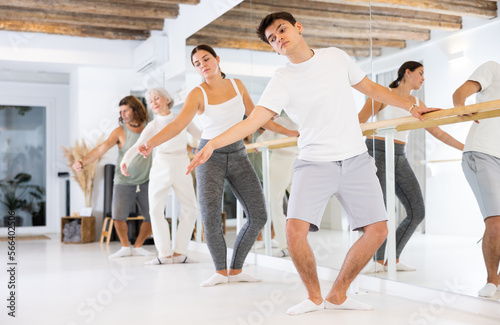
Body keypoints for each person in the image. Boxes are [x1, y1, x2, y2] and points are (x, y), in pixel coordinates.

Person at [187, 12, 440, 316]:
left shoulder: (335, 57)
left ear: (298, 28)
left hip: (356, 159)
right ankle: (313, 296)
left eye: (282, 30)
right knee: (295, 231)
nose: (279, 38)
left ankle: (338, 294)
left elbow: (372, 90)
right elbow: (255, 120)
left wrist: (411, 105)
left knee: (378, 231)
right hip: (313, 162)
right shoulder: (281, 79)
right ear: (274, 48)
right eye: (272, 39)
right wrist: (212, 143)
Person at [137, 44, 298, 286]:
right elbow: (178, 124)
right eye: (197, 64)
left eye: (206, 59)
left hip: (238, 155)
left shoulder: (237, 86)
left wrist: (289, 132)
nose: (203, 65)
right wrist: (150, 143)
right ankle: (220, 271)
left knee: (258, 215)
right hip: (207, 156)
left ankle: (236, 268)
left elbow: (257, 118)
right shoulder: (197, 93)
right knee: (210, 217)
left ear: (217, 59)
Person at [358, 61, 464, 273]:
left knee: (417, 211)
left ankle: (392, 259)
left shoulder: (417, 102)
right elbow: (358, 122)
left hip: (399, 155)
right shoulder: (382, 95)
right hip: (377, 151)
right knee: (382, 210)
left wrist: (467, 147)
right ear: (407, 72)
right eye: (421, 73)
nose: (423, 78)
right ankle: (377, 261)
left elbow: (438, 132)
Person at [121, 87, 201, 265]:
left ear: (167, 99)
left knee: (191, 209)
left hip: (182, 164)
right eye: (150, 101)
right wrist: (125, 161)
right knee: (156, 210)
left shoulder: (182, 118)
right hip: (161, 165)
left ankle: (180, 252)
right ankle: (164, 254)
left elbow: (202, 136)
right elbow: (138, 145)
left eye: (156, 98)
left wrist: (225, 139)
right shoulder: (153, 125)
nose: (153, 103)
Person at [73, 96, 154, 259]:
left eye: (126, 111)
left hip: (146, 180)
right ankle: (125, 247)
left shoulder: (149, 127)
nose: (122, 114)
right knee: (118, 216)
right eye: (121, 112)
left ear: (135, 109)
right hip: (123, 181)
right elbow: (101, 149)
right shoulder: (120, 131)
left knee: (153, 216)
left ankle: (137, 246)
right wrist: (83, 161)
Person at [453, 60, 500, 298]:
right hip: (482, 152)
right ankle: (492, 281)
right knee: (495, 223)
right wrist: (460, 106)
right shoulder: (493, 68)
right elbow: (460, 93)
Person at [255, 116, 299, 257]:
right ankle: (298, 244)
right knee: (298, 207)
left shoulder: (279, 122)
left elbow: (260, 141)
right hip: (298, 161)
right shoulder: (303, 118)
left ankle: (285, 245)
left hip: (280, 161)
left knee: (276, 205)